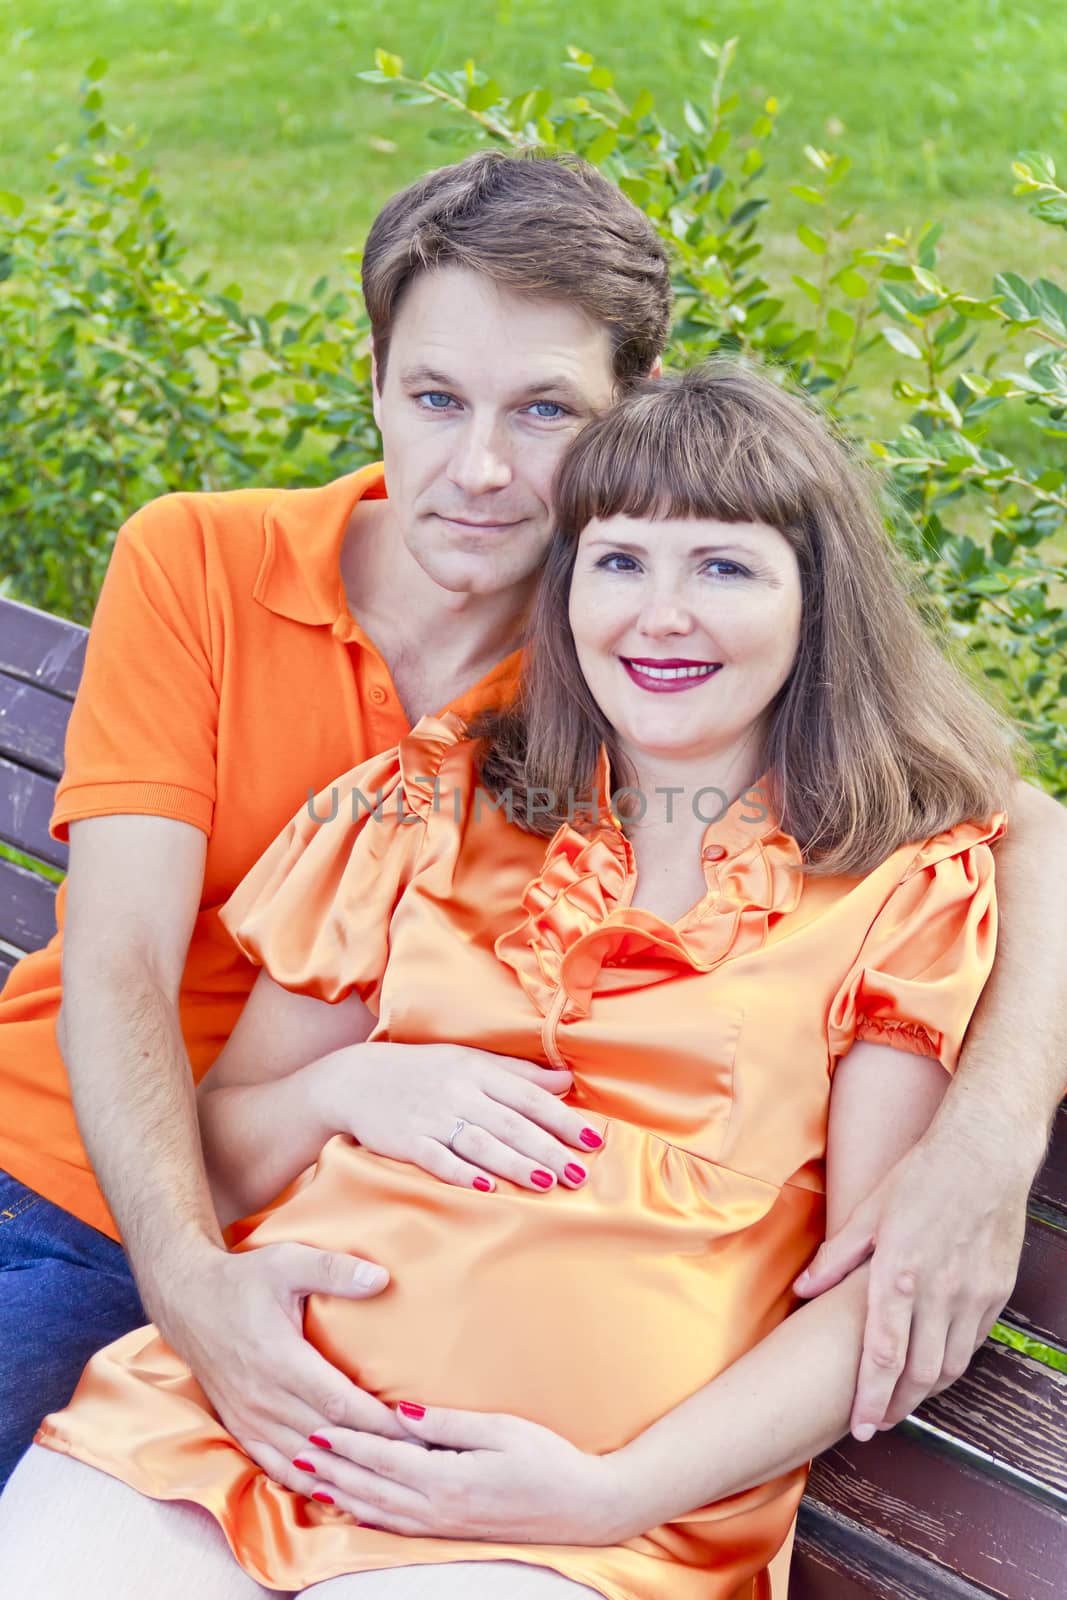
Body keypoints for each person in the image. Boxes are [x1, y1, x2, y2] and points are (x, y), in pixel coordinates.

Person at [0, 150, 1064, 1505]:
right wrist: (194, 1279)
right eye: (436, 399)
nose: (482, 469)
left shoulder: (627, 667)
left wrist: (990, 1135)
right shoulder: (203, 559)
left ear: (626, 420)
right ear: (376, 385)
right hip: (84, 1180)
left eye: (547, 412)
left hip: (335, 1254)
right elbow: (117, 964)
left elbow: (1019, 821)